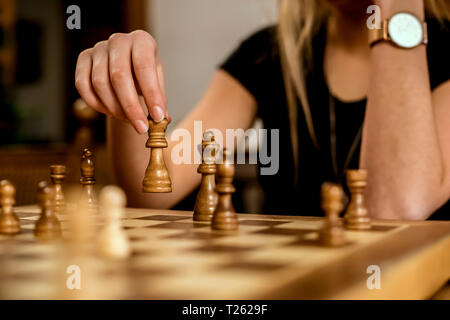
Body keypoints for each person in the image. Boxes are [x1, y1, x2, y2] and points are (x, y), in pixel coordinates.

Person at [74, 0, 450, 220]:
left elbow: (396, 210)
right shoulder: (268, 53)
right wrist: (127, 93)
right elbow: (153, 191)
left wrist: (400, 12)